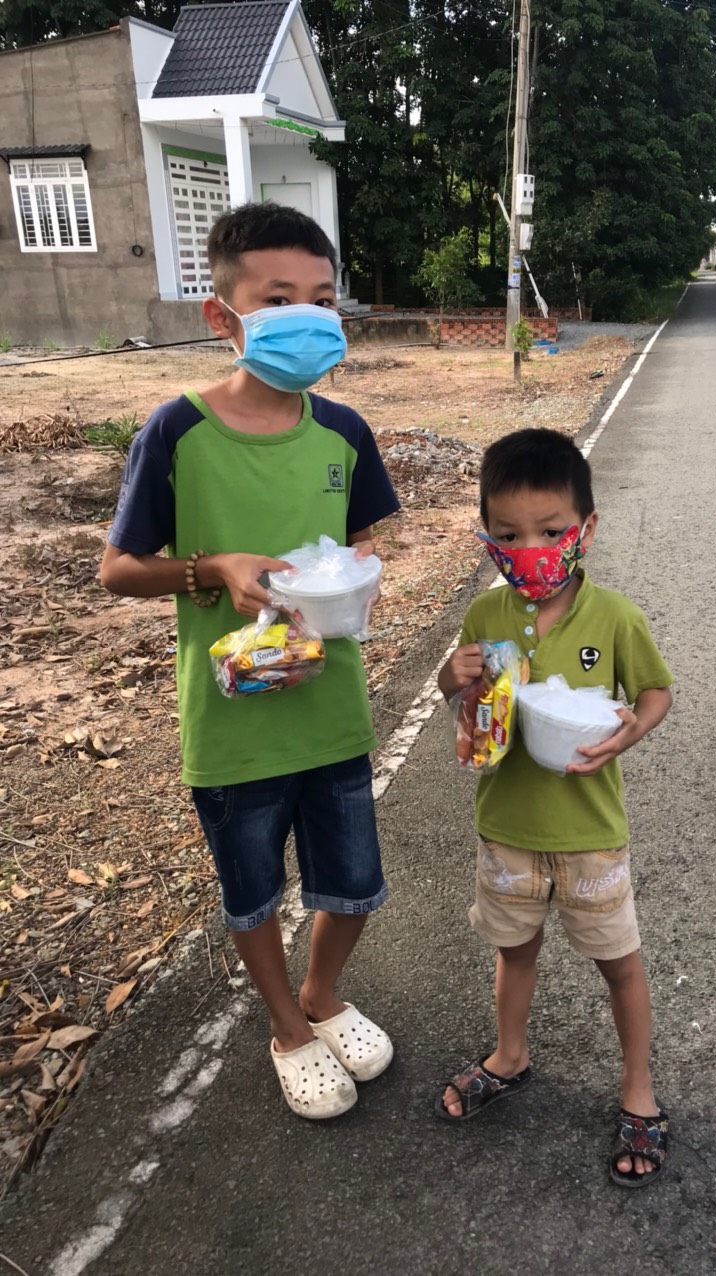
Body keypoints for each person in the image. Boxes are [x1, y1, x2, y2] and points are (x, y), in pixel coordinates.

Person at [100, 202, 399, 1120]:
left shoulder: (343, 432)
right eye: (279, 299)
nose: (308, 317)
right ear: (222, 316)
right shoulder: (176, 432)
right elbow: (118, 569)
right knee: (254, 895)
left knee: (353, 887)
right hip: (233, 722)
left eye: (323, 299)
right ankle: (285, 1026)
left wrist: (353, 582)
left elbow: (360, 542)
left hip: (332, 710)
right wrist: (210, 569)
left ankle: (322, 994)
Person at [435, 428, 674, 1187]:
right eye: (507, 536)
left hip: (589, 832)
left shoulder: (615, 618)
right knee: (515, 949)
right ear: (486, 534)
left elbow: (655, 692)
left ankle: (638, 1087)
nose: (529, 550)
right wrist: (451, 679)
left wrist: (630, 730)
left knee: (618, 962)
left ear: (586, 530)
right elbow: (463, 699)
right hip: (506, 826)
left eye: (549, 531)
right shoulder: (485, 616)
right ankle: (511, 1054)